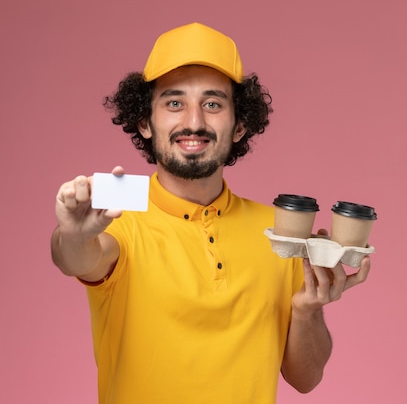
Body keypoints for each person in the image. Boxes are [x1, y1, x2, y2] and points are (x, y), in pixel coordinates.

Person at [50, 22, 371, 404]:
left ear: (239, 126)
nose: (194, 122)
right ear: (144, 122)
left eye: (213, 104)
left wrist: (306, 311)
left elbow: (305, 378)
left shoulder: (277, 230)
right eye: (174, 103)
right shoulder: (117, 213)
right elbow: (78, 257)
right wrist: (73, 234)